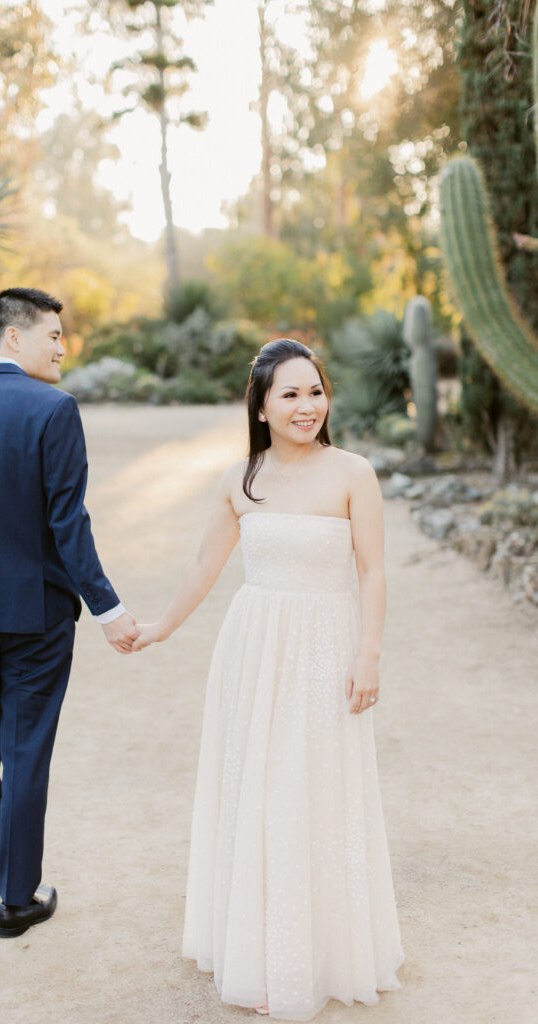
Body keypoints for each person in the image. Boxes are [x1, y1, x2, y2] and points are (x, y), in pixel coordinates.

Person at [133, 338, 404, 1019]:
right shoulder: (239, 478)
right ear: (258, 406)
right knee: (258, 784)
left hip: (325, 646)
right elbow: (204, 567)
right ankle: (258, 947)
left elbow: (371, 570)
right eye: (289, 393)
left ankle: (326, 952)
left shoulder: (351, 473)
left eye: (314, 391)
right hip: (253, 652)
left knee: (314, 786)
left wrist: (367, 653)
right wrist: (162, 626)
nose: (306, 405)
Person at [0, 287, 138, 938]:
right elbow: (67, 524)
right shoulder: (54, 409)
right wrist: (109, 609)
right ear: (12, 336)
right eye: (52, 335)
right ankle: (17, 898)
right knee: (25, 751)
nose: (62, 348)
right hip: (35, 616)